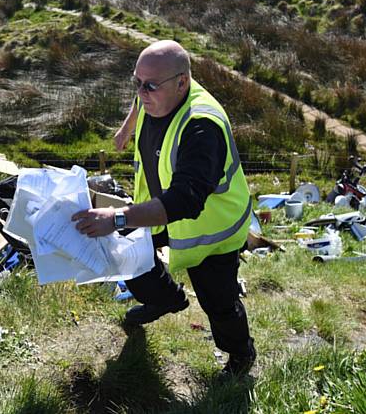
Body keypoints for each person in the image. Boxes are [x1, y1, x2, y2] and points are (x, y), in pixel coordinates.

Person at [71, 40, 256, 376]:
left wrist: (118, 217)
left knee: (218, 301)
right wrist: (128, 126)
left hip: (211, 228)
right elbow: (142, 94)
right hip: (158, 209)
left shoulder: (202, 128)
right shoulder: (156, 92)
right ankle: (165, 299)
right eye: (136, 83)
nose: (141, 93)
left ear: (182, 82)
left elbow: (185, 200)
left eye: (150, 86)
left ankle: (241, 355)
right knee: (126, 255)